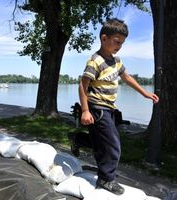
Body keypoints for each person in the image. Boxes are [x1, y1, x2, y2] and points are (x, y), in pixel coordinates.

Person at [78, 18, 159, 195]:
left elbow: (127, 78)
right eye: (117, 42)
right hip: (97, 107)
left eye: (122, 43)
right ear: (104, 38)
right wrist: (85, 110)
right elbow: (82, 85)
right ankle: (107, 179)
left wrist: (144, 93)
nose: (119, 46)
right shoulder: (95, 61)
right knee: (113, 145)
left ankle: (79, 142)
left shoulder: (116, 61)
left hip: (109, 108)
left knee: (102, 142)